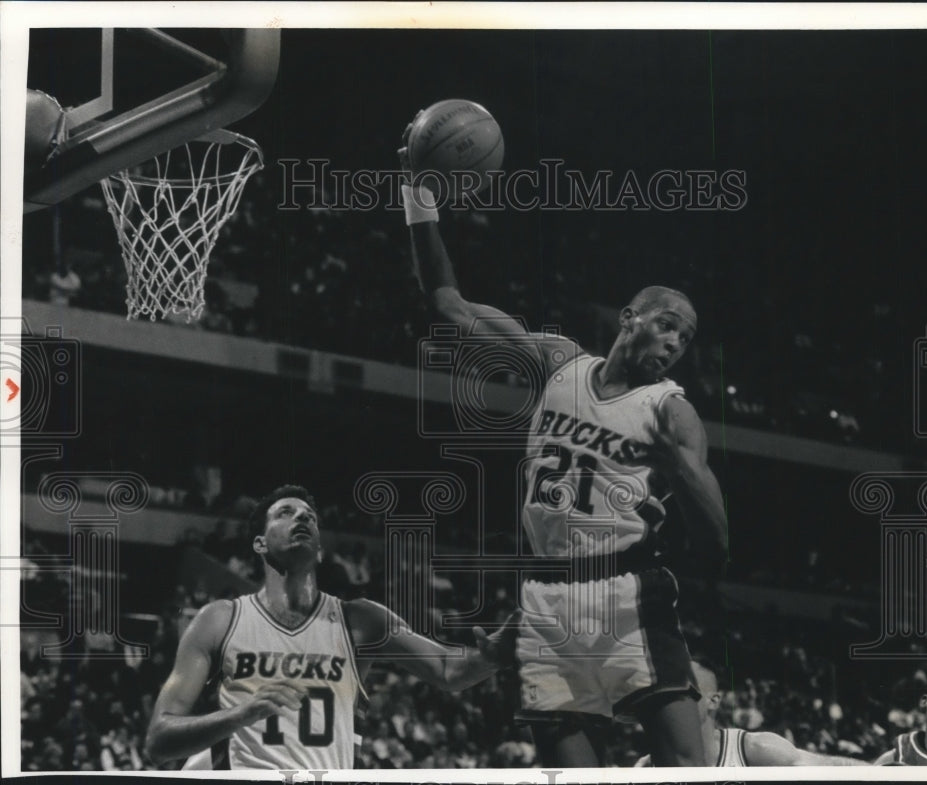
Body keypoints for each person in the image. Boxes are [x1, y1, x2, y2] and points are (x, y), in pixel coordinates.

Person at [398, 114, 728, 768]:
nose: (673, 343)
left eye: (685, 338)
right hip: (549, 592)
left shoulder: (671, 413)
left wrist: (680, 476)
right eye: (666, 325)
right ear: (629, 318)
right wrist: (417, 191)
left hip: (629, 589)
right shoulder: (558, 362)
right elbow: (448, 303)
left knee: (688, 769)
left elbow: (717, 541)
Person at [144, 485, 517, 770]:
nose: (301, 518)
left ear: (320, 548)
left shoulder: (361, 620)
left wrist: (495, 657)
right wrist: (241, 714)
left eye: (309, 516)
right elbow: (159, 739)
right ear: (259, 543)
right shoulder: (220, 619)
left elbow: (449, 670)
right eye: (285, 513)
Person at [637, 660, 869, 766]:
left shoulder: (753, 750)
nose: (673, 700)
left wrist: (885, 769)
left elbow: (827, 765)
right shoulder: (649, 765)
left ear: (713, 701)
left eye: (686, 691)